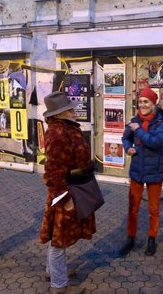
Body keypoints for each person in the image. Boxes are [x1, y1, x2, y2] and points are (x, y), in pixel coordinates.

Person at [39, 91, 96, 294]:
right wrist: (65, 199)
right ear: (57, 114)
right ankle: (58, 285)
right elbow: (52, 172)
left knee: (58, 236)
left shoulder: (65, 128)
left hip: (75, 187)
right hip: (66, 191)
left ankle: (52, 272)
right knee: (59, 240)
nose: (73, 111)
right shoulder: (57, 133)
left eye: (71, 108)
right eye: (68, 109)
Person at [120, 86, 163, 256]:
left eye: (146, 101)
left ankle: (151, 239)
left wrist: (138, 130)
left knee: (153, 208)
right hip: (137, 171)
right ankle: (130, 238)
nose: (142, 104)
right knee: (133, 207)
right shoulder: (135, 120)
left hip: (154, 171)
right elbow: (125, 137)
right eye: (140, 101)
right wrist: (128, 148)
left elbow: (157, 142)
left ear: (153, 103)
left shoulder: (161, 121)